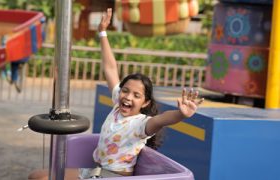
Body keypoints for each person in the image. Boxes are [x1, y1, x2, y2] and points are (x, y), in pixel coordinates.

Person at [28, 8, 203, 180]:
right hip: (96, 170)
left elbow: (163, 119)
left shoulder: (141, 124)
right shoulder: (118, 107)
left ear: (145, 103)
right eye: (125, 91)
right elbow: (110, 68)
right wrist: (103, 33)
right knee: (37, 176)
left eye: (136, 95)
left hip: (113, 177)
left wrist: (181, 114)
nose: (127, 97)